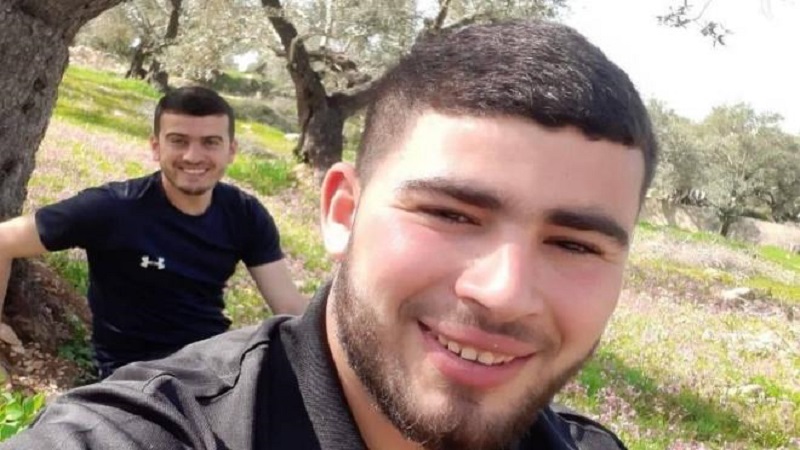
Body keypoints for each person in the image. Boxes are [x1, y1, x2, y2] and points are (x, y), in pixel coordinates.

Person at [0, 20, 657, 449]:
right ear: (343, 213)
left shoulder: (242, 215)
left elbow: (286, 304)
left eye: (574, 244)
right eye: (450, 214)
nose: (505, 292)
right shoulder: (127, 429)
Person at [0, 86, 307, 378]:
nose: (193, 156)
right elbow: (4, 240)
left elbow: (290, 309)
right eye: (179, 141)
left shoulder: (245, 214)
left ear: (231, 150)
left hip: (215, 369)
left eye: (210, 142)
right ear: (156, 147)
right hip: (133, 379)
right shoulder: (113, 208)